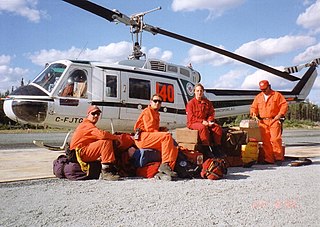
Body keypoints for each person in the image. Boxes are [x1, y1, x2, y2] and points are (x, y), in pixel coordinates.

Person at [70, 105, 121, 180]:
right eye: (93, 113)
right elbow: (102, 135)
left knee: (106, 142)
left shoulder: (88, 125)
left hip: (81, 151)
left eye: (98, 114)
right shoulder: (87, 125)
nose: (96, 115)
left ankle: (110, 168)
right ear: (88, 114)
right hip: (79, 153)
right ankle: (106, 172)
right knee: (105, 142)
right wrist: (117, 138)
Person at [134, 94, 178, 180]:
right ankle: (164, 165)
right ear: (151, 102)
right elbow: (149, 129)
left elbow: (154, 129)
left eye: (159, 101)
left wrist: (161, 129)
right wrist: (161, 132)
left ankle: (166, 170)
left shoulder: (156, 113)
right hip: (143, 137)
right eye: (155, 101)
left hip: (149, 137)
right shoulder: (147, 111)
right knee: (166, 136)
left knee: (174, 147)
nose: (157, 103)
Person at [250, 80, 288, 165]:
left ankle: (278, 158)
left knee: (275, 139)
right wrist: (254, 114)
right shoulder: (258, 97)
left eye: (265, 89)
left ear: (269, 86)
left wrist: (280, 115)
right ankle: (269, 159)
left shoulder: (277, 95)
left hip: (274, 120)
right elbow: (253, 107)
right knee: (266, 141)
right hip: (263, 121)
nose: (263, 91)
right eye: (262, 90)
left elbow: (284, 105)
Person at [186, 83, 222, 156]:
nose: (199, 92)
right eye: (197, 91)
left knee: (217, 128)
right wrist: (202, 121)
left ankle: (216, 148)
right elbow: (191, 117)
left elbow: (211, 113)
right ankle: (206, 149)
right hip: (193, 123)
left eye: (201, 91)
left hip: (206, 122)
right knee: (202, 128)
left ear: (203, 92)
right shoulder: (190, 103)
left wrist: (209, 120)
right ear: (194, 92)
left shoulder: (207, 102)